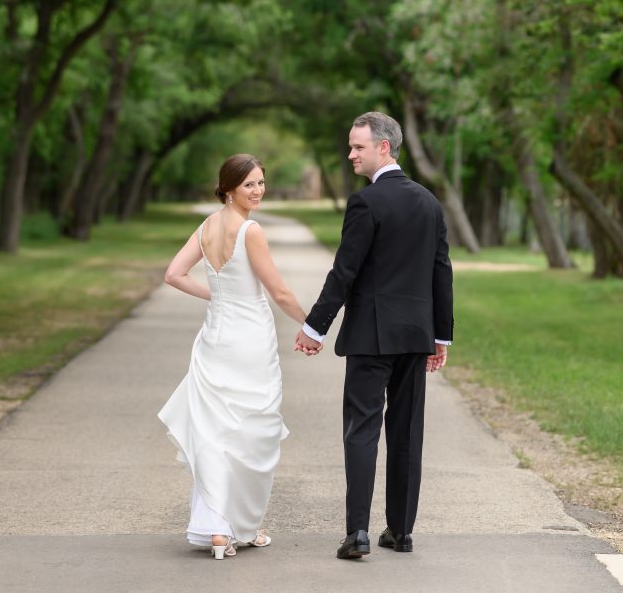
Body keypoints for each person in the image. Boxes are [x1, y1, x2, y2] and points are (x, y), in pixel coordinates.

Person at [295, 111, 453, 560]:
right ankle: (400, 533)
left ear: (384, 147)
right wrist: (441, 335)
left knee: (361, 431)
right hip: (416, 336)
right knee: (406, 433)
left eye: (358, 146)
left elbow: (345, 272)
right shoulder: (429, 202)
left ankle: (358, 534)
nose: (351, 154)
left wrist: (314, 327)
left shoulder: (366, 203)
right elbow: (442, 273)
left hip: (371, 337)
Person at [158, 153, 315, 560]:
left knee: (216, 430)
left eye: (262, 182)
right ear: (229, 188)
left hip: (215, 336)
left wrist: (215, 294)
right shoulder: (251, 230)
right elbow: (279, 292)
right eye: (249, 185)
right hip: (248, 339)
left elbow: (174, 274)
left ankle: (217, 529)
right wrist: (313, 324)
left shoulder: (206, 226)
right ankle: (238, 526)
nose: (258, 191)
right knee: (248, 432)